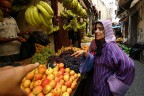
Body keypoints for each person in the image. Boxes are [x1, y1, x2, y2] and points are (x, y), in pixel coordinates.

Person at [71, 20, 135, 96]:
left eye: (100, 29)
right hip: (98, 86)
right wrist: (86, 54)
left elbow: (128, 65)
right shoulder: (101, 45)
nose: (96, 31)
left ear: (107, 31)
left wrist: (115, 83)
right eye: (96, 29)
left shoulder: (110, 46)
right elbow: (98, 61)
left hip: (105, 89)